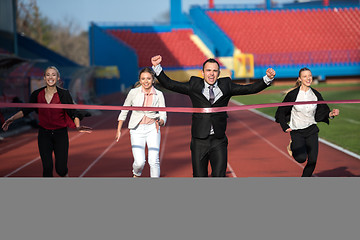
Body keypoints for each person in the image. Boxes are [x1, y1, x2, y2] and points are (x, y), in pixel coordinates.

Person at [151, 55, 276, 177]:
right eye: (208, 70)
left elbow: (250, 89)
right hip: (199, 141)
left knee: (219, 176)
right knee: (199, 176)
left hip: (219, 140)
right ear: (203, 72)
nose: (211, 74)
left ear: (219, 73)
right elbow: (170, 84)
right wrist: (157, 67)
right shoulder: (194, 85)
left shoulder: (226, 85)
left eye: (215, 71)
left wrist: (267, 79)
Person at [2, 66, 92, 177]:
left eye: (53, 75)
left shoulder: (64, 94)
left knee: (61, 170)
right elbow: (26, 110)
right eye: (48, 75)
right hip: (44, 135)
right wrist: (11, 119)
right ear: (44, 78)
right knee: (47, 168)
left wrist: (78, 126)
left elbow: (73, 112)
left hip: (60, 135)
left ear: (58, 78)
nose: (50, 77)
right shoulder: (36, 94)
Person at [275, 67, 339, 177]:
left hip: (312, 130)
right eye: (305, 76)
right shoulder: (292, 95)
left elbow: (322, 112)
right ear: (299, 79)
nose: (308, 78)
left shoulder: (315, 94)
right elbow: (280, 112)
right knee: (301, 158)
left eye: (309, 76)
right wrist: (284, 126)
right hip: (297, 131)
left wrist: (331, 114)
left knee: (312, 161)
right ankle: (292, 146)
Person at [116, 67, 167, 178]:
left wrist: (161, 121)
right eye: (143, 78)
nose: (146, 81)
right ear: (139, 80)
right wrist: (119, 129)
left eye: (148, 78)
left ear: (153, 80)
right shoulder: (133, 92)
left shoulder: (159, 94)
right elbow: (124, 109)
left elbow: (163, 114)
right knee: (139, 162)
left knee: (154, 161)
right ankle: (136, 173)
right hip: (136, 130)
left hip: (153, 129)